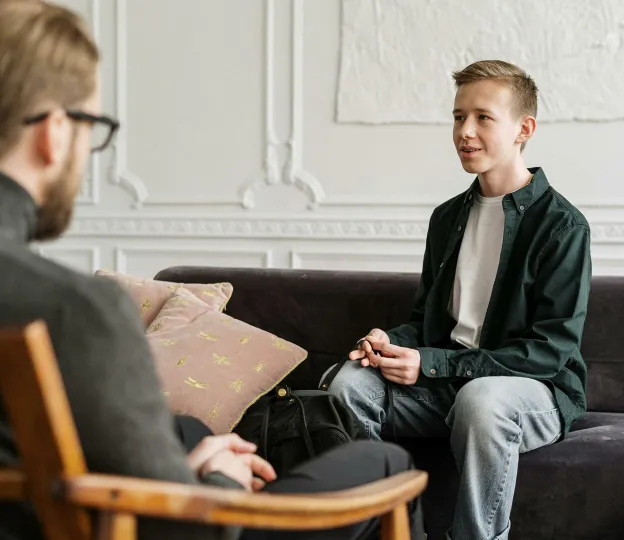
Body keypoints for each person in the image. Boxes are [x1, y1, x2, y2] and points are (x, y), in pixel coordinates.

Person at [0, 2, 423, 540]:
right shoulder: (75, 311)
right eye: (93, 128)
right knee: (385, 465)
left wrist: (182, 470)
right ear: (55, 132)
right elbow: (185, 533)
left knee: (187, 431)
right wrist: (217, 482)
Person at [325, 60, 592, 540]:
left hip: (531, 393)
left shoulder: (562, 227)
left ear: (523, 129)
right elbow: (426, 321)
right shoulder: (447, 218)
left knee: (481, 400)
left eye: (483, 118)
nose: (464, 132)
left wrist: (430, 363)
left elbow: (550, 351)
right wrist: (390, 341)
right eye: (457, 117)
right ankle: (387, 529)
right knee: (349, 385)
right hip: (448, 386)